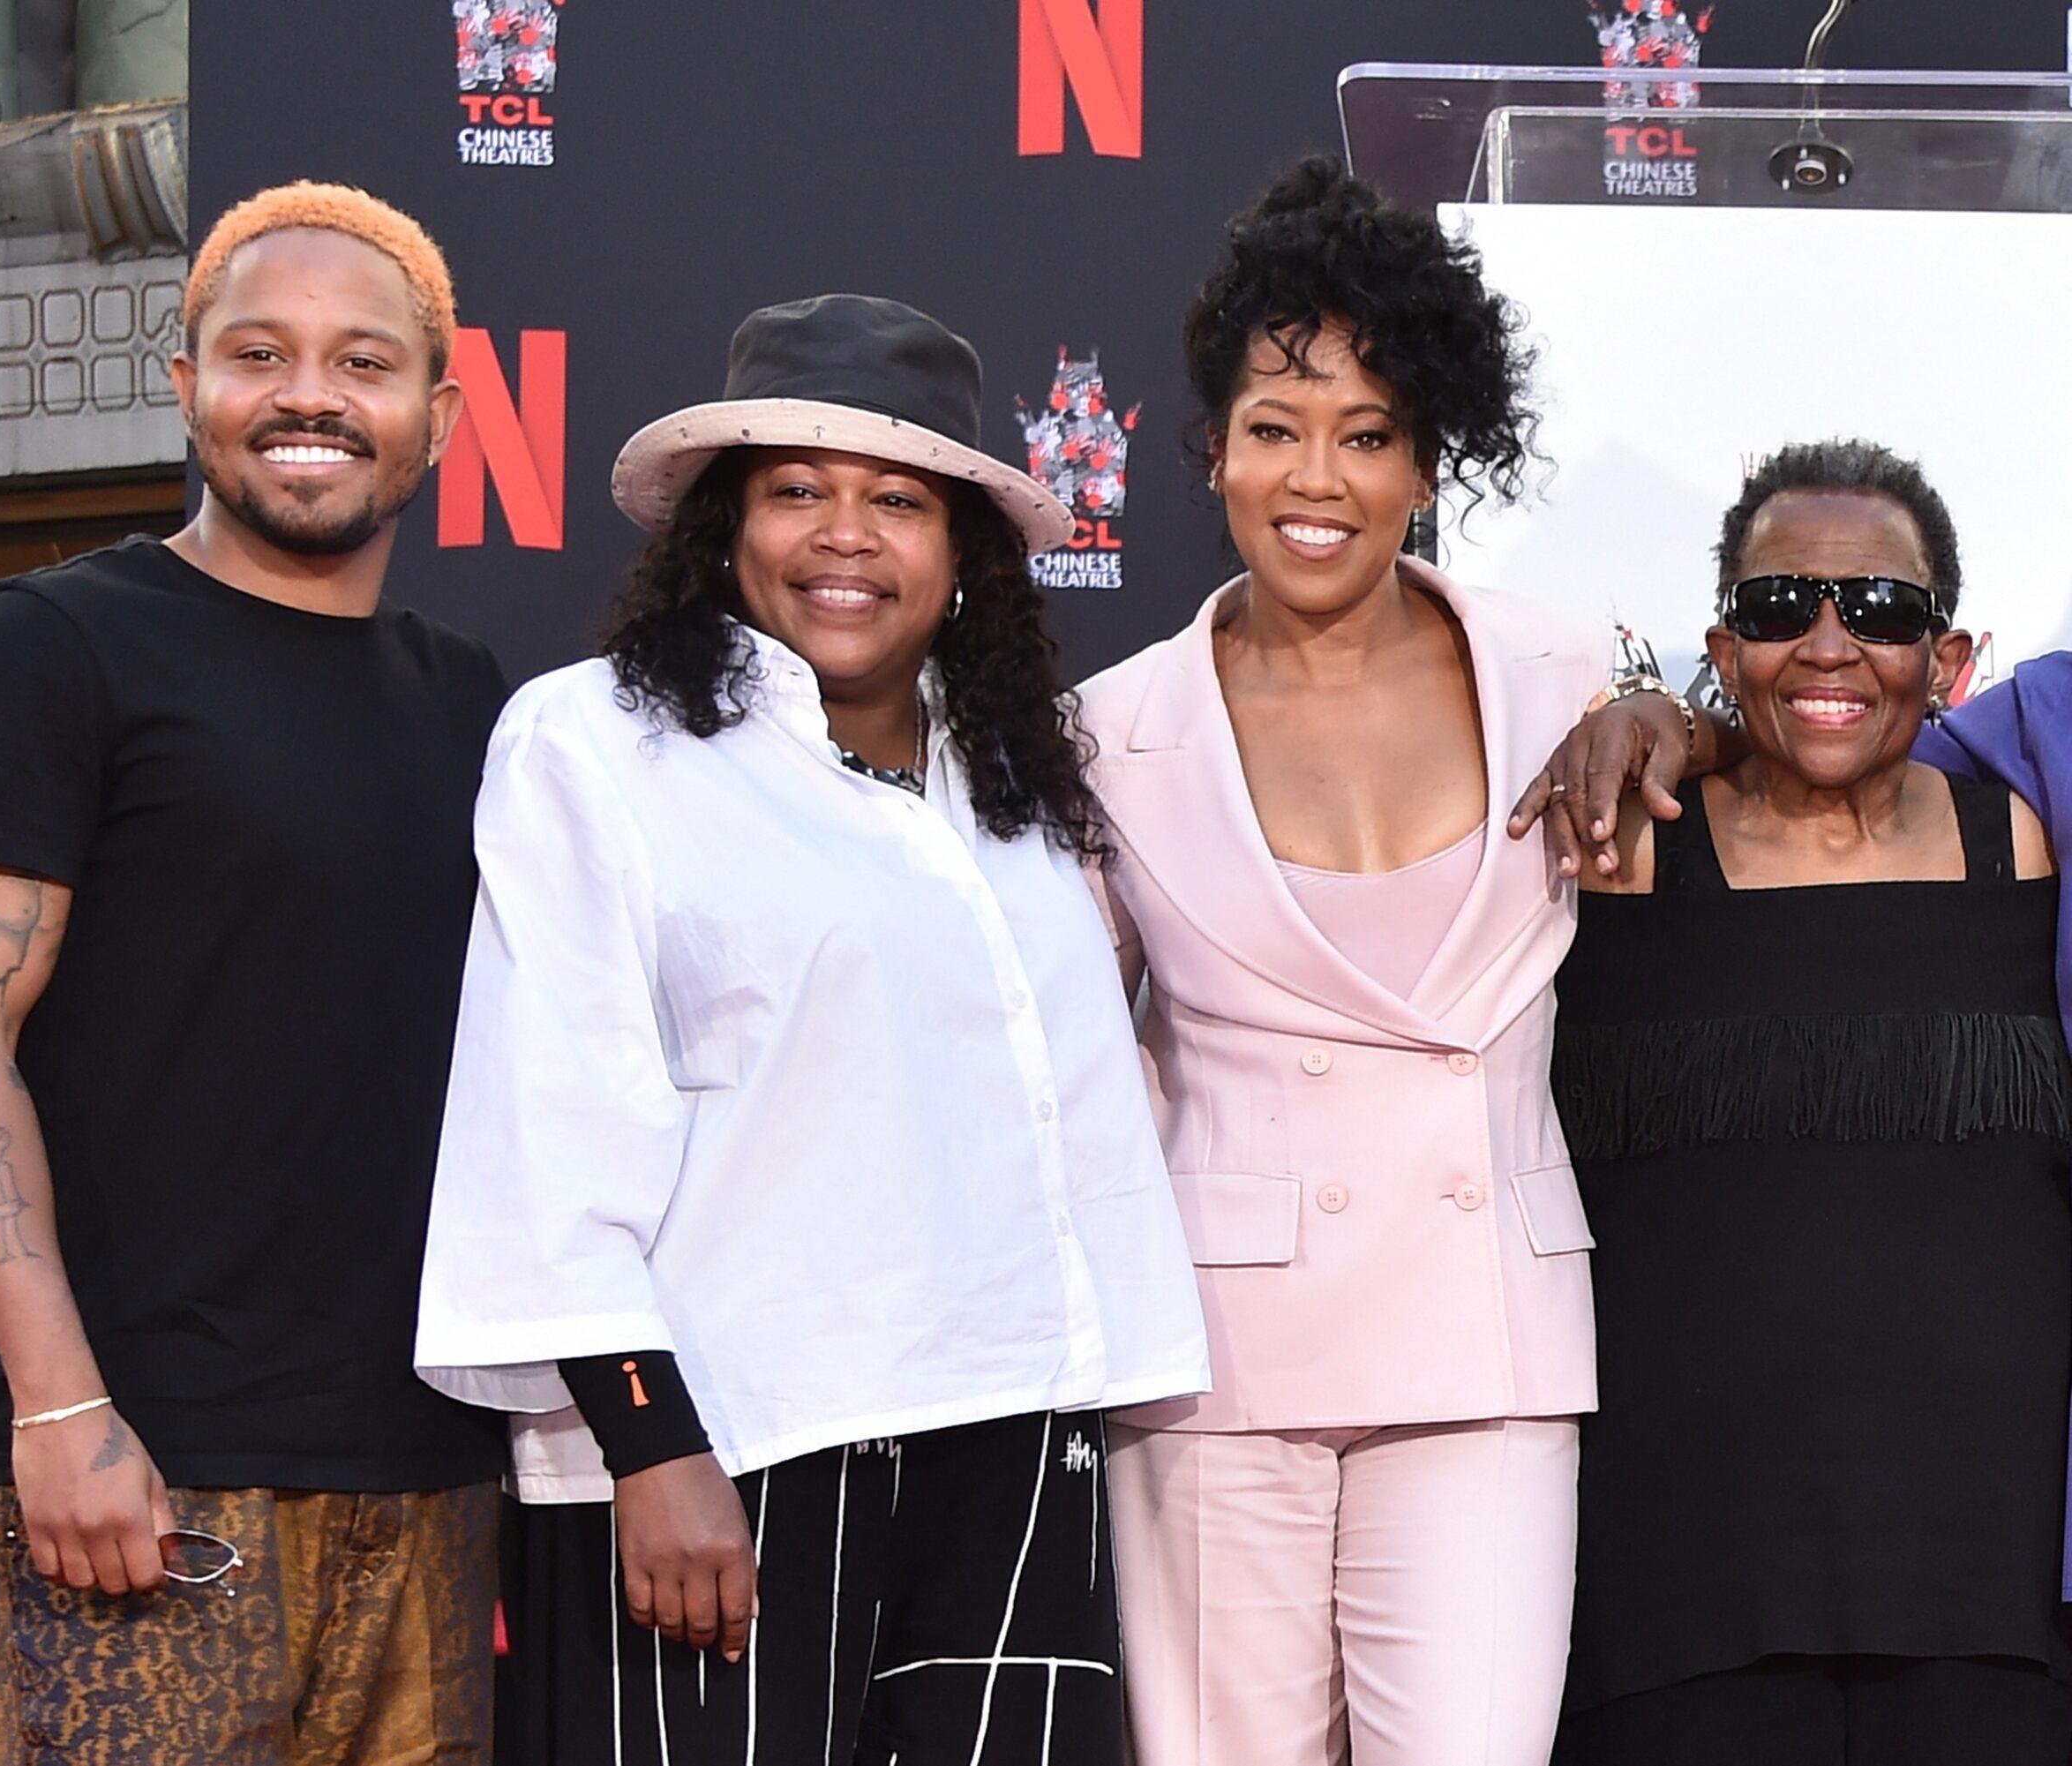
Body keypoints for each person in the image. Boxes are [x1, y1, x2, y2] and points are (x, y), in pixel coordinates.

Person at [411, 292, 1210, 1766]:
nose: (846, 536)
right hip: (730, 1447)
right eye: (797, 491)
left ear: (964, 550)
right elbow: (552, 1106)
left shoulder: (1021, 782)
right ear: (722, 531)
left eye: (897, 500)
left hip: (1019, 1441)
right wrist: (648, 1446)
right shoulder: (595, 743)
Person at [0, 182, 509, 1764]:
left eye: (362, 364)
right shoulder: (48, 648)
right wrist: (55, 1406)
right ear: (186, 386)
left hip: (428, 1473)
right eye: (258, 353)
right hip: (132, 1468)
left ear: (437, 414)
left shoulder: (479, 703)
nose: (308, 395)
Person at [1077, 155, 1612, 1766]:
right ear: (1215, 448)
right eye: (1275, 427)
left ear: (1430, 458)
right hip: (1220, 1356)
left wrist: (1672, 722)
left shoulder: (1561, 674)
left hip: (1490, 1350)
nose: (1318, 477)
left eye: (1368, 434)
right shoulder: (1105, 734)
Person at [1538, 439, 2072, 1762]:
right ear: (1724, 645)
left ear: (1948, 658)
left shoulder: (2031, 846)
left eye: (1882, 610)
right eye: (1783, 607)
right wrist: (1644, 714)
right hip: (1676, 1606)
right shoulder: (1615, 858)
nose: (1831, 646)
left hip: (1986, 1607)